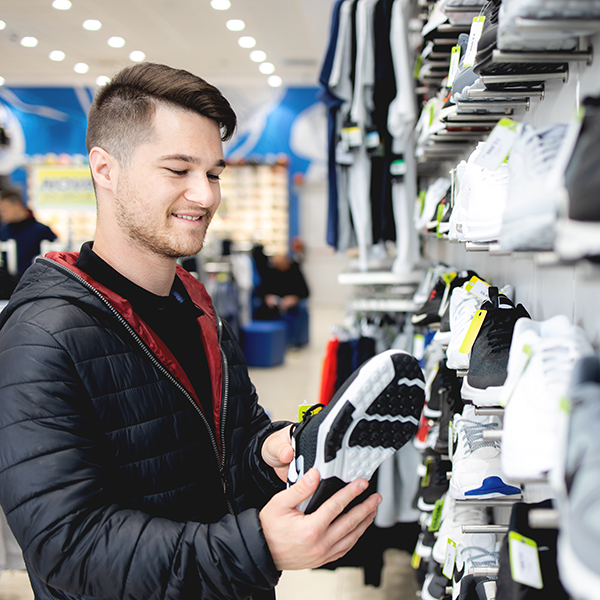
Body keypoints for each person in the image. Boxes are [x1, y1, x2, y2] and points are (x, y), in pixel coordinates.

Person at [0, 62, 381, 600]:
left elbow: (229, 444)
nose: (205, 196)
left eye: (214, 173)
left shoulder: (196, 304)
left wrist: (270, 449)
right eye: (178, 170)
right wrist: (260, 548)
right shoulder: (40, 337)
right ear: (105, 170)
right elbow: (69, 547)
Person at [0, 187, 57, 276]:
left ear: (16, 205)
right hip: (9, 285)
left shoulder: (42, 231)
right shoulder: (3, 231)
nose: (2, 213)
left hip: (37, 282)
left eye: (4, 209)